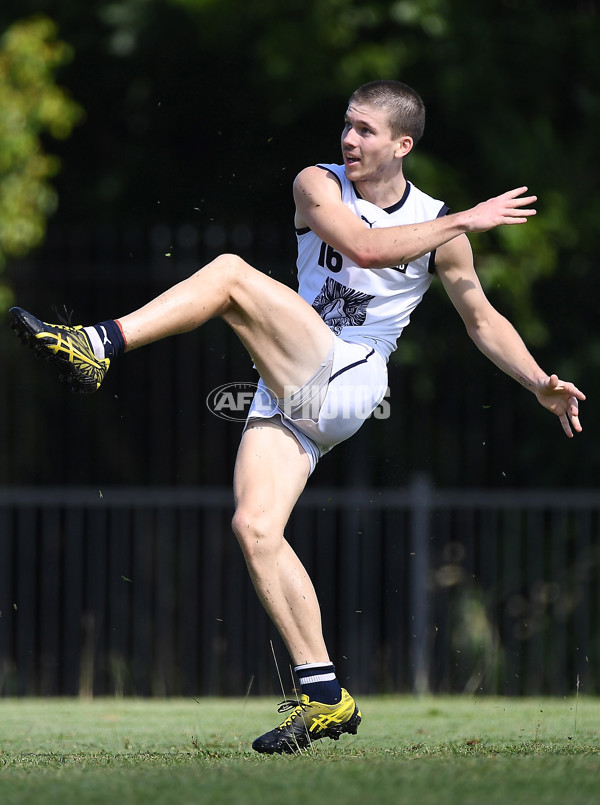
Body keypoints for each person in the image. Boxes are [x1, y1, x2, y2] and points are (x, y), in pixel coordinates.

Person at [9, 80, 584, 754]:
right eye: (348, 125)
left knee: (228, 272)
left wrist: (539, 380)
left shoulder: (438, 223)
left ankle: (98, 344)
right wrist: (467, 219)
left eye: (367, 130)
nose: (349, 139)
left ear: (403, 144)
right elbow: (366, 248)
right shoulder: (318, 183)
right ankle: (325, 696)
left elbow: (483, 319)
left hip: (350, 376)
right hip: (292, 385)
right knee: (254, 527)